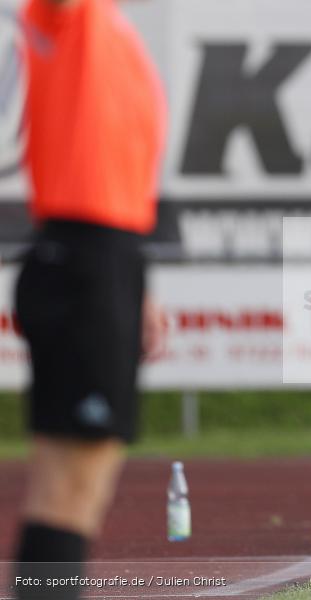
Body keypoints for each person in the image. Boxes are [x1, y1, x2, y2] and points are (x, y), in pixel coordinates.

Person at [11, 1, 167, 598]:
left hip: (107, 256)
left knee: (83, 486)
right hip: (84, 257)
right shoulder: (71, 15)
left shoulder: (109, 25)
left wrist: (137, 283)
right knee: (69, 486)